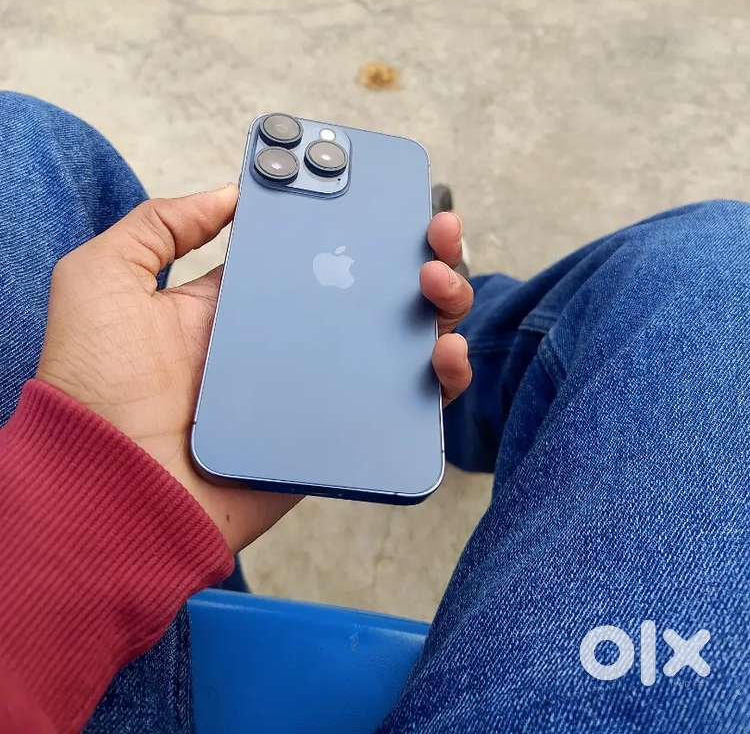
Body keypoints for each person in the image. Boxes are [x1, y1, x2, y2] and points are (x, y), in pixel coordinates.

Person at [0, 93, 747, 733]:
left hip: (51, 644)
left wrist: (99, 505)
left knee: (20, 144)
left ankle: (446, 337)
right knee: (717, 268)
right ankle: (458, 335)